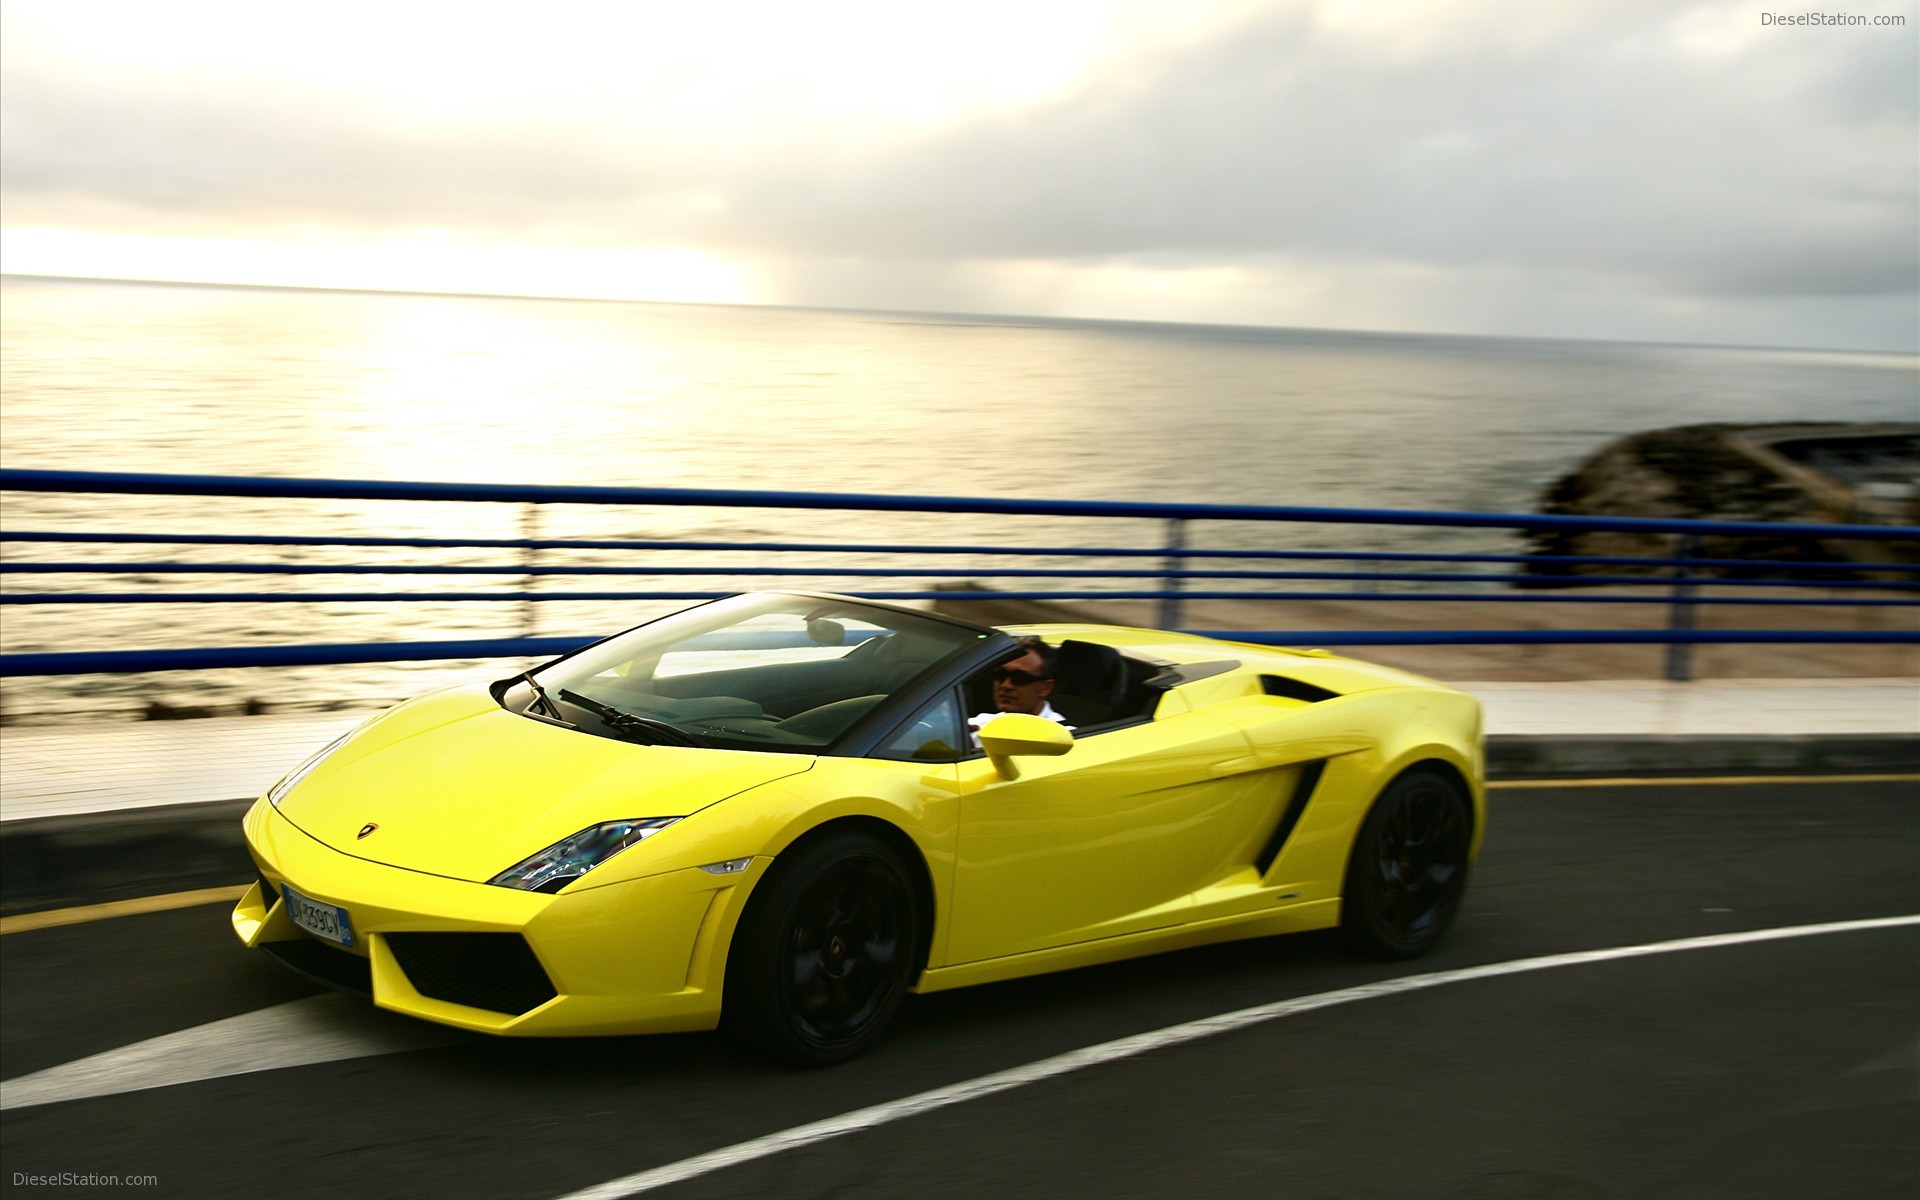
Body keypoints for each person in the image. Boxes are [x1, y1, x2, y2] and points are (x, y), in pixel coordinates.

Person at [968, 635, 1071, 746]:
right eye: (1000, 675)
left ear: (1045, 688)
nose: (1006, 685)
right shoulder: (980, 724)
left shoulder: (1066, 739)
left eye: (1020, 678)